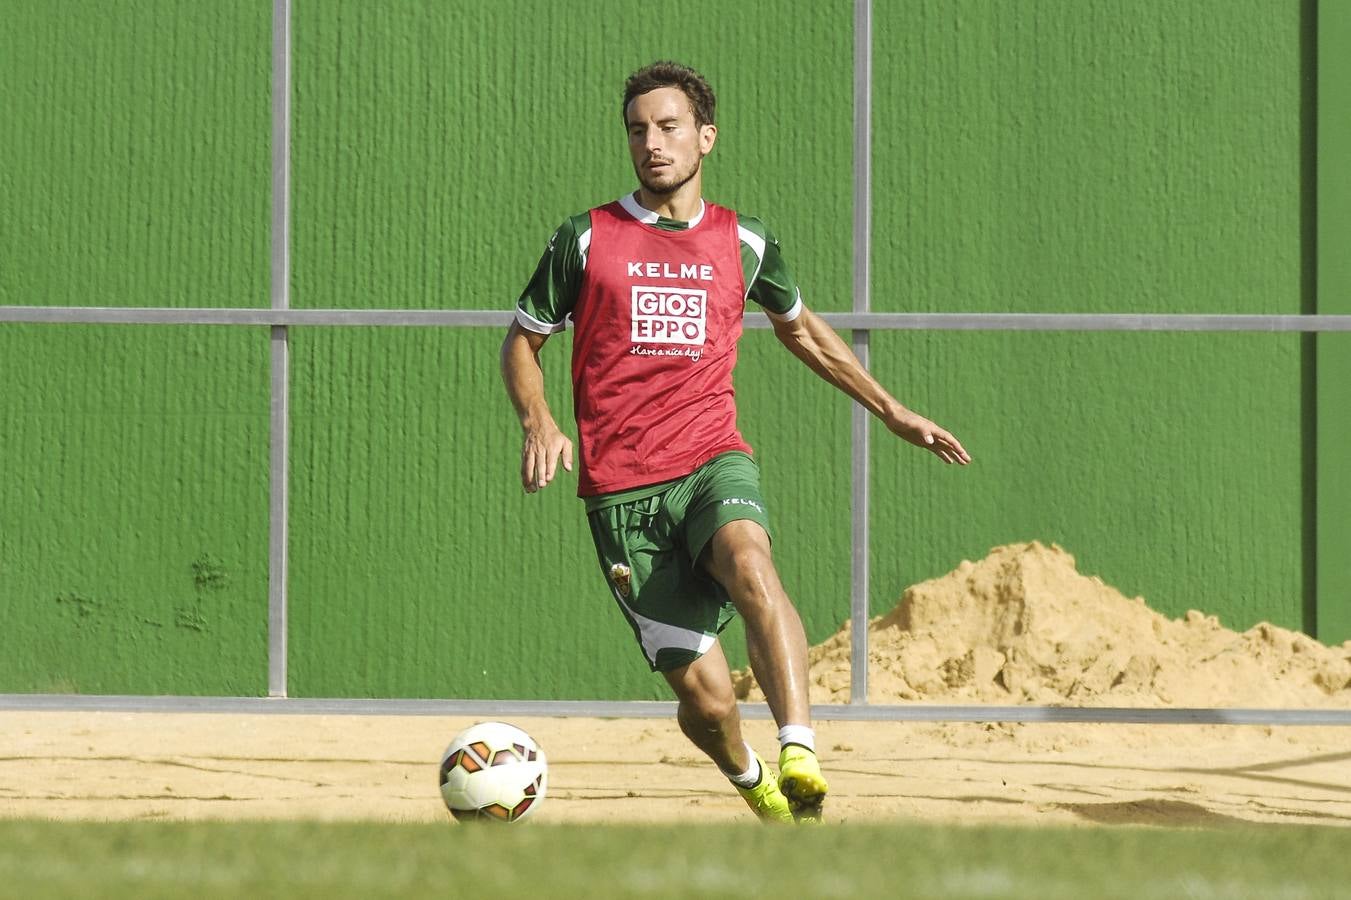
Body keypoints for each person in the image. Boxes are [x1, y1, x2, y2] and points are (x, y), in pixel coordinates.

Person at [500, 61, 971, 824]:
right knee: (707, 701)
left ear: (704, 137)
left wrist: (890, 410)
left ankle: (799, 751)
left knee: (751, 560)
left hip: (710, 456)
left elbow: (804, 333)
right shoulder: (585, 239)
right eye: (637, 130)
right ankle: (753, 779)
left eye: (668, 126)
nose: (651, 143)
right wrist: (540, 421)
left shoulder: (743, 241)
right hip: (621, 491)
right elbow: (522, 342)